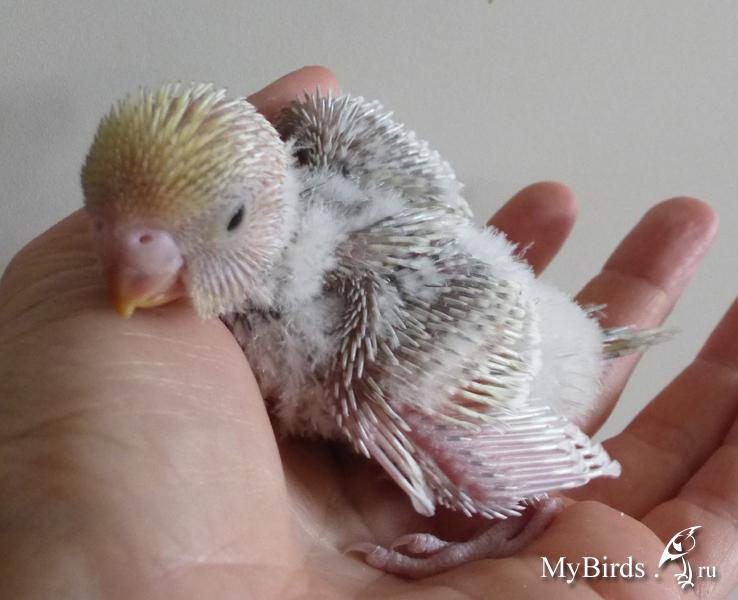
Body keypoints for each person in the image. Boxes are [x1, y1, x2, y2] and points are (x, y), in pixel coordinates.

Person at [0, 66, 734, 598]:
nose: (131, 269)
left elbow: (502, 425)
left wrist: (515, 513)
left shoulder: (368, 333)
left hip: (523, 372)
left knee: (408, 399)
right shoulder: (282, 200)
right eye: (105, 223)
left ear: (261, 202)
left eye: (226, 221)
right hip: (478, 312)